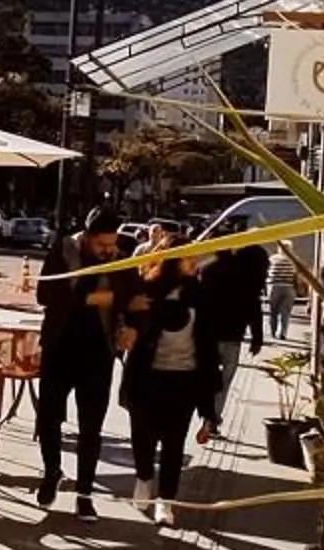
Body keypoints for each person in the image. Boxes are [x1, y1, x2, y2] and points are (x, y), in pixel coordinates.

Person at [34, 207, 125, 519]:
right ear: (86, 238)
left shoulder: (119, 259)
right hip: (60, 347)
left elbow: (130, 296)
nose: (108, 250)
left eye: (112, 244)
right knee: (48, 418)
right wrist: (88, 299)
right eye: (102, 244)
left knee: (91, 427)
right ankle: (52, 472)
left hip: (98, 352)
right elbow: (44, 293)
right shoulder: (63, 250)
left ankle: (84, 493)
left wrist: (130, 325)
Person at [118, 248, 215, 524]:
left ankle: (166, 502)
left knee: (174, 443)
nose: (196, 261)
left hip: (183, 379)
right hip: (147, 378)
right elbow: (128, 322)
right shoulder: (149, 291)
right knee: (142, 436)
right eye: (190, 257)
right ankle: (144, 477)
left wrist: (208, 410)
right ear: (174, 259)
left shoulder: (199, 294)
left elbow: (208, 345)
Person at [200, 239, 268, 431]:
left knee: (207, 377)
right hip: (233, 334)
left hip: (208, 334)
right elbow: (254, 308)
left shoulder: (206, 269)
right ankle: (212, 417)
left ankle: (206, 411)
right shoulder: (245, 273)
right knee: (225, 380)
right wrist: (257, 337)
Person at [264, 245, 299, 341]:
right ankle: (282, 333)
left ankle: (273, 332)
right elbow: (295, 276)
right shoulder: (293, 260)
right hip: (288, 287)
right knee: (285, 312)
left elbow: (266, 272)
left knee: (273, 311)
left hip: (273, 286)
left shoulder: (272, 258)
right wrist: (296, 289)